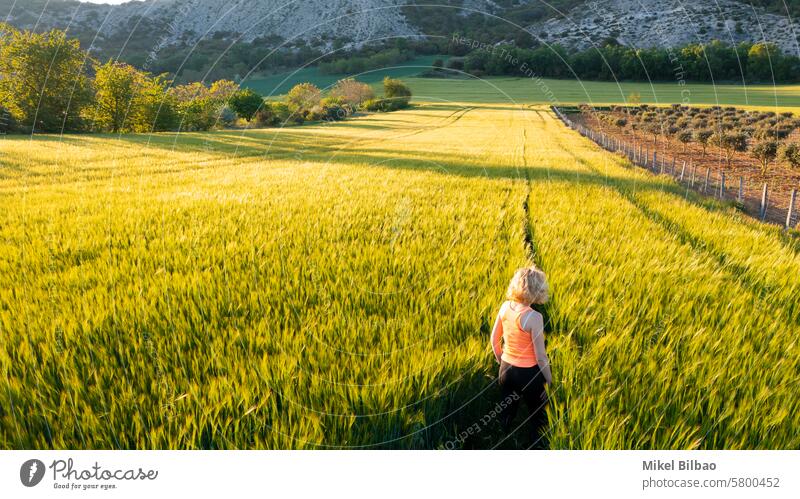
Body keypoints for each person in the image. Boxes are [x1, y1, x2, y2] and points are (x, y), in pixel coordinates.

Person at [489, 266, 553, 443]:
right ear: (537, 291)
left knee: (507, 406)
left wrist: (501, 361)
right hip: (529, 375)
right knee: (537, 411)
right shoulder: (534, 317)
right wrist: (549, 381)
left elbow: (494, 340)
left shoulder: (504, 307)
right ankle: (534, 443)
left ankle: (504, 433)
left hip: (506, 369)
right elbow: (540, 357)